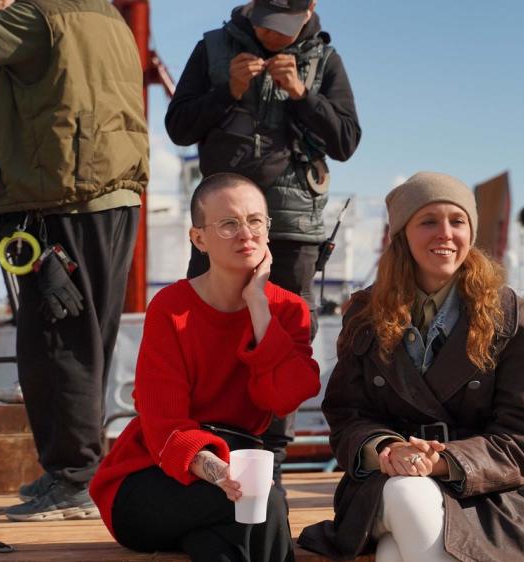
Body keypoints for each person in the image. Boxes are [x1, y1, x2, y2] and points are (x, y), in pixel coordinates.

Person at [0, 0, 149, 521]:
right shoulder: (105, 15)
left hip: (61, 199)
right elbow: (59, 86)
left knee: (58, 343)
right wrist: (0, 67)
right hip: (105, 194)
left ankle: (74, 480)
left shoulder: (41, 14)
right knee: (83, 340)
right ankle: (70, 472)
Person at [299, 172, 524, 562]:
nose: (445, 234)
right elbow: (346, 414)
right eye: (428, 221)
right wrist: (388, 449)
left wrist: (441, 461)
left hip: (488, 495)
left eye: (457, 221)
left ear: (471, 232)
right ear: (402, 234)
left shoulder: (510, 316)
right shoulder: (366, 314)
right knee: (408, 493)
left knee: (393, 551)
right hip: (385, 483)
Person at [165, 0, 360, 491]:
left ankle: (270, 458)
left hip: (293, 227)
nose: (274, 36)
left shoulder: (325, 59)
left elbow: (346, 141)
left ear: (310, 10)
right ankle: (204, 443)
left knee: (285, 331)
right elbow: (178, 127)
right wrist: (225, 92)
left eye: (284, 28)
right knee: (205, 325)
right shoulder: (213, 48)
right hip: (220, 222)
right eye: (267, 25)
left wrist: (302, 95)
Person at [90, 173, 320, 560]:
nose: (245, 234)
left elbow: (283, 397)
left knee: (222, 541)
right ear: (199, 239)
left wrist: (258, 306)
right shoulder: (171, 308)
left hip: (230, 481)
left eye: (255, 221)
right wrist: (219, 472)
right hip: (148, 477)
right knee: (264, 505)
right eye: (228, 224)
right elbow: (162, 424)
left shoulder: (287, 309)